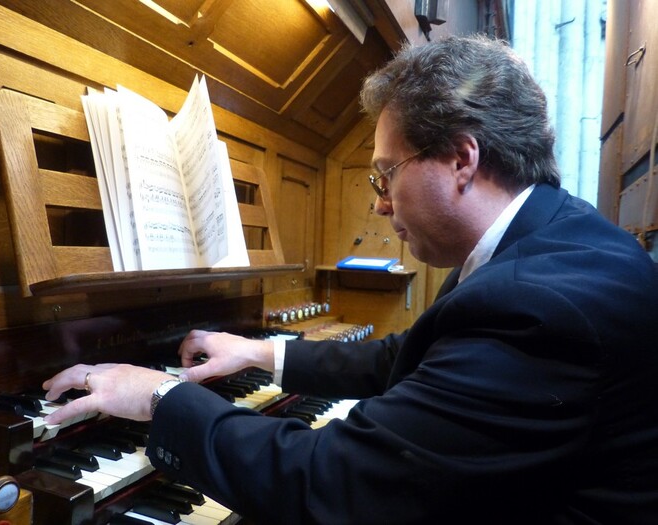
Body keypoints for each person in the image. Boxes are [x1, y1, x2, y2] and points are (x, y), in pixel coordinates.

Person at [43, 35, 658, 524]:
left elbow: (333, 486)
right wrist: (265, 351)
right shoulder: (545, 241)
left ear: (462, 159)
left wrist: (160, 397)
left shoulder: (538, 301)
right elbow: (412, 359)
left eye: (385, 175)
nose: (382, 204)